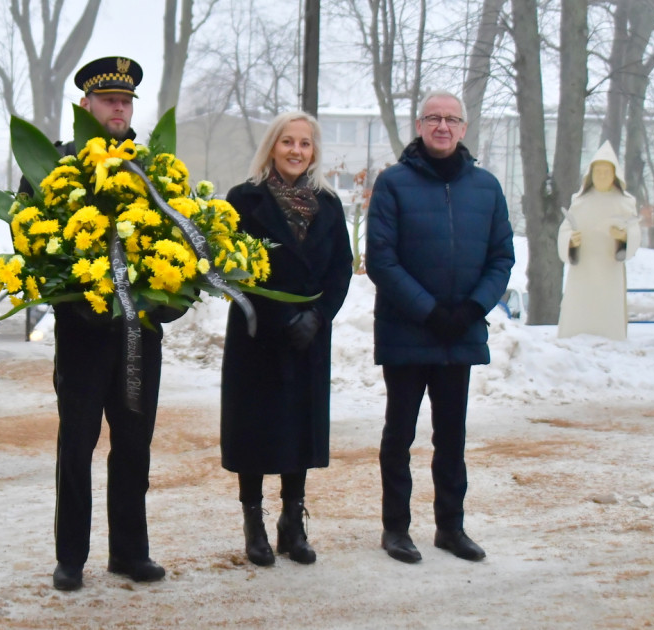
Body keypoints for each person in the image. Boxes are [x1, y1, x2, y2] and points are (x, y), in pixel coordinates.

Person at [20, 56, 178, 592]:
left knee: (134, 445)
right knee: (78, 444)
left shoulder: (155, 167)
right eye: (108, 99)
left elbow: (183, 243)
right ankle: (71, 557)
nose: (118, 107)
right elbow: (30, 244)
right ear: (85, 105)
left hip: (141, 339)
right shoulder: (58, 166)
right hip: (84, 338)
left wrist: (172, 299)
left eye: (126, 100)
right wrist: (71, 299)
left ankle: (130, 552)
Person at [365, 90, 514, 564]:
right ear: (419, 125)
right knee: (400, 435)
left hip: (461, 332)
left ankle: (451, 527)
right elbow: (382, 260)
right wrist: (430, 312)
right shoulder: (392, 183)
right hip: (409, 330)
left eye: (452, 119)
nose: (443, 126)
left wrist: (472, 309)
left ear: (464, 128)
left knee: (452, 435)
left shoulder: (486, 187)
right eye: (434, 118)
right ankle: (396, 529)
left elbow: (501, 256)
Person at [220, 112, 352, 567]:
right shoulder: (243, 199)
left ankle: (291, 521)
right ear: (272, 146)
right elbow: (229, 268)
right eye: (288, 142)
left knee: (299, 428)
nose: (297, 151)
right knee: (255, 430)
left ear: (314, 151)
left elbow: (340, 270)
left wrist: (318, 316)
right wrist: (278, 316)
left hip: (309, 337)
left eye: (306, 144)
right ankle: (253, 521)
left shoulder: (329, 205)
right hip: (258, 334)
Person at [557, 141, 641, 340]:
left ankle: (610, 336)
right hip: (583, 269)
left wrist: (624, 237)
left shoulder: (625, 202)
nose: (602, 176)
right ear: (590, 175)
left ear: (614, 175)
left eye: (606, 172)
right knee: (579, 307)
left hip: (609, 268)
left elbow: (634, 229)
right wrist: (571, 241)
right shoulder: (579, 201)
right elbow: (565, 228)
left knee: (608, 307)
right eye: (598, 172)